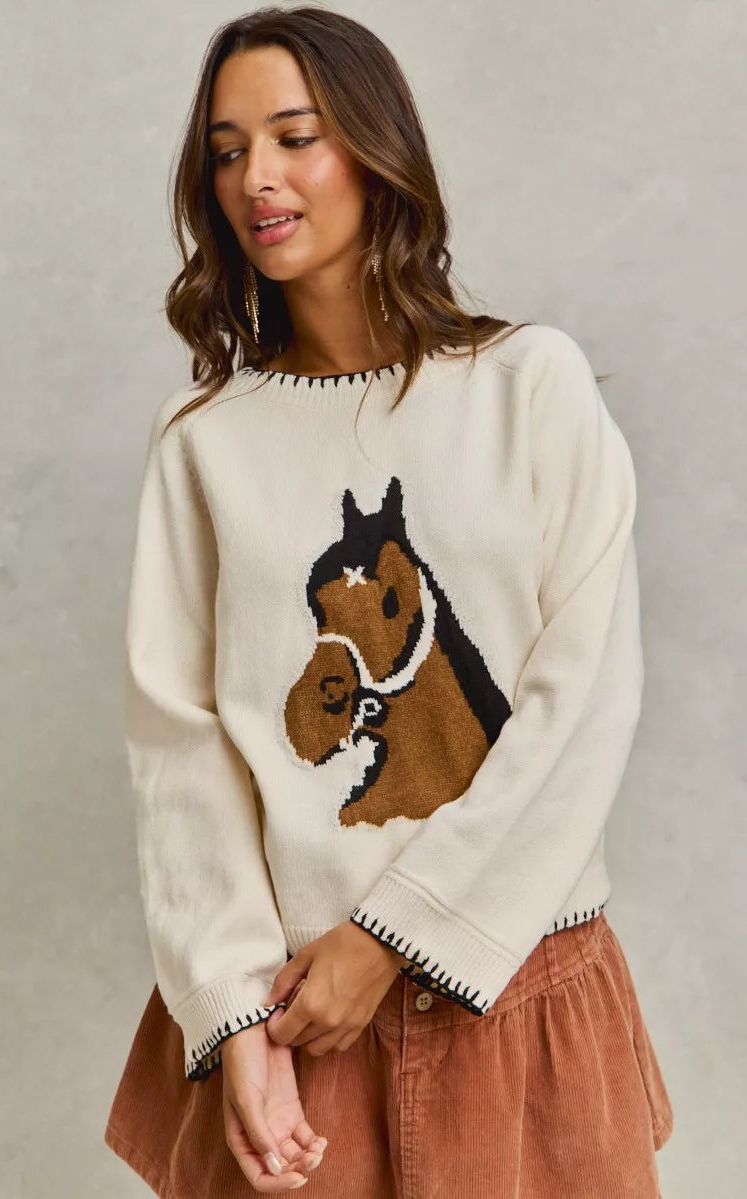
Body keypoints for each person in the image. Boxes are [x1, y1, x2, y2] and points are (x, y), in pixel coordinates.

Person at [103, 6, 674, 1196]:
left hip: (520, 995)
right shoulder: (203, 439)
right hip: (293, 1017)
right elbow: (178, 743)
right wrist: (232, 1013)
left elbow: (582, 697)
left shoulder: (527, 386)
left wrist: (390, 934)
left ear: (374, 149)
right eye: (226, 150)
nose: (255, 178)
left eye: (294, 136)